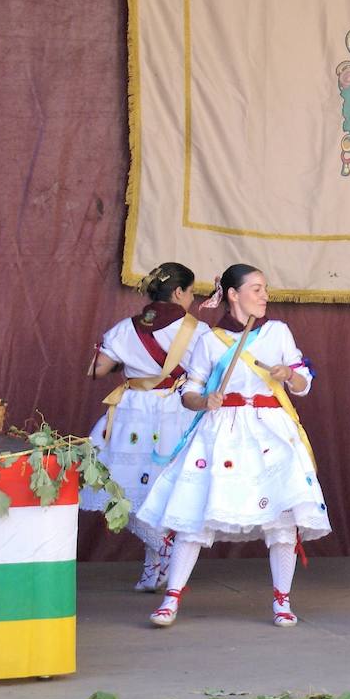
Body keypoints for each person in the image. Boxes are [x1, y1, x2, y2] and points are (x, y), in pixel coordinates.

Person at [137, 264, 327, 627]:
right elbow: (189, 392)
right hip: (221, 431)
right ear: (233, 295)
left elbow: (303, 382)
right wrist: (203, 401)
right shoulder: (210, 340)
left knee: (281, 518)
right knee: (194, 516)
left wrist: (290, 375)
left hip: (271, 431)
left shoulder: (278, 333)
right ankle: (171, 598)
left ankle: (282, 601)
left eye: (266, 288)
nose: (265, 295)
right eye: (256, 289)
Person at [84, 262, 209, 592]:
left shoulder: (126, 328)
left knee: (121, 490)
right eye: (191, 292)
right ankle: (165, 550)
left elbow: (98, 370)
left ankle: (154, 565)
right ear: (179, 292)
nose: (192, 299)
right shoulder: (198, 331)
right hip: (175, 414)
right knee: (156, 491)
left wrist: (130, 362)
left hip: (131, 414)